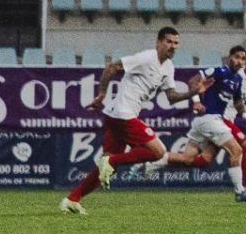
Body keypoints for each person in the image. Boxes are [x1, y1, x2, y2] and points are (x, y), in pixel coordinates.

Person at [60, 26, 208, 214]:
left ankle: (72, 199)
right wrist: (101, 95)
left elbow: (171, 96)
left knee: (107, 167)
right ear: (158, 42)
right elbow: (111, 67)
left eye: (176, 43)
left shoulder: (168, 67)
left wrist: (193, 93)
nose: (173, 46)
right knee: (158, 152)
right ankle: (111, 160)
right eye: (169, 41)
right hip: (123, 113)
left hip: (116, 115)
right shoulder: (146, 58)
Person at [154, 44, 246, 201]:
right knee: (238, 151)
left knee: (190, 158)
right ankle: (241, 192)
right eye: (237, 58)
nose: (239, 61)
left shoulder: (237, 79)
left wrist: (245, 116)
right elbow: (193, 80)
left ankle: (155, 161)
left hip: (205, 121)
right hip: (210, 119)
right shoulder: (219, 71)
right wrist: (195, 100)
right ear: (229, 58)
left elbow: (238, 101)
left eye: (242, 58)